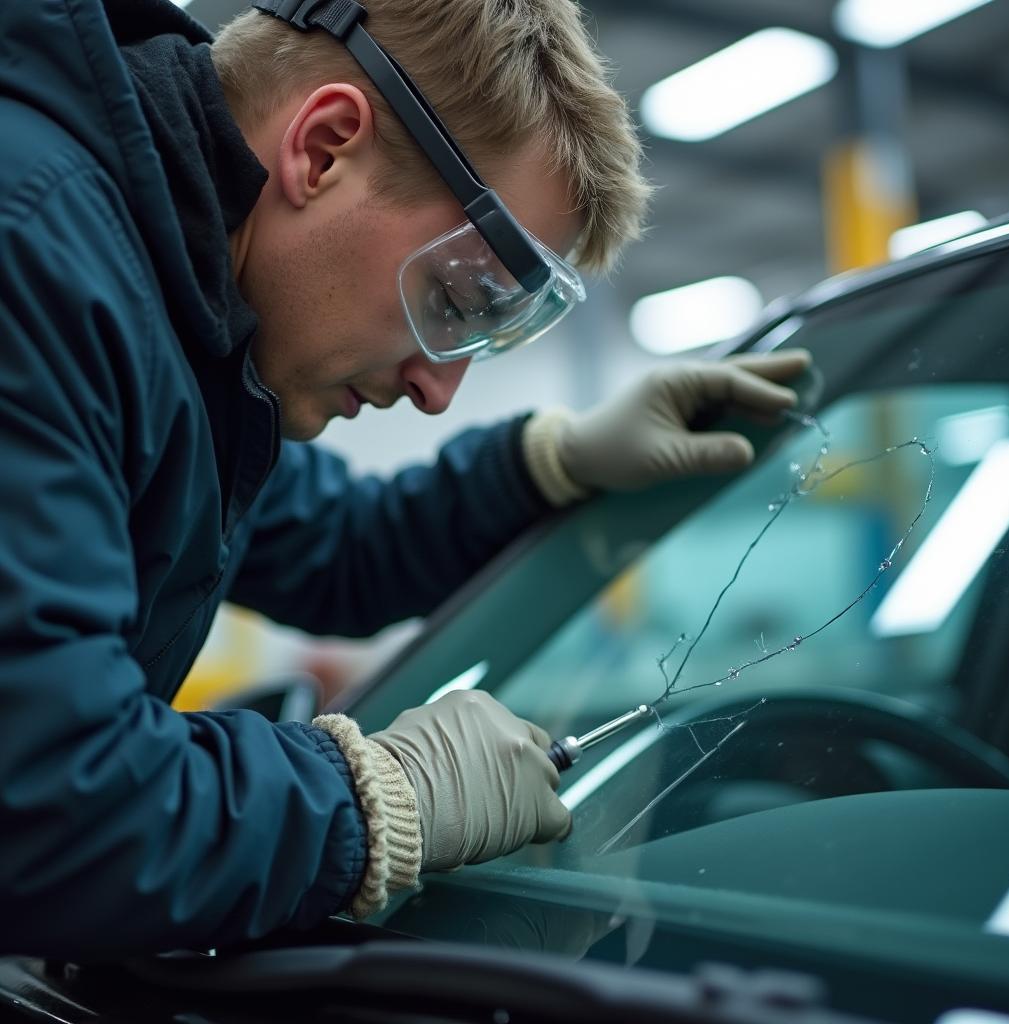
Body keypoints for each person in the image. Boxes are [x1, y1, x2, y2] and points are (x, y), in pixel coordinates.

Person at [0, 0, 810, 958]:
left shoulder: (187, 327)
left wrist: (546, 464)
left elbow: (334, 542)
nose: (437, 388)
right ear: (325, 148)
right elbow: (41, 806)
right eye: (458, 298)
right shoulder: (34, 256)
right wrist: (373, 797)